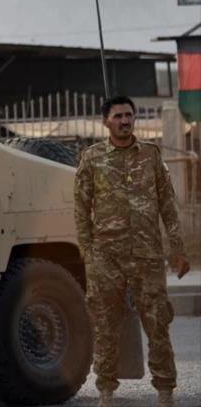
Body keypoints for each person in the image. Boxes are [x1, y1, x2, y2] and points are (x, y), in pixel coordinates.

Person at [74, 95, 191, 407]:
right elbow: (81, 207)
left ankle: (165, 391)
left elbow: (168, 205)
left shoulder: (151, 156)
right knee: (105, 326)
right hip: (105, 258)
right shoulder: (92, 157)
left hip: (148, 256)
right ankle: (106, 391)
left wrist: (176, 249)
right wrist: (87, 251)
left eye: (128, 115)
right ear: (106, 122)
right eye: (118, 116)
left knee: (157, 323)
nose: (124, 121)